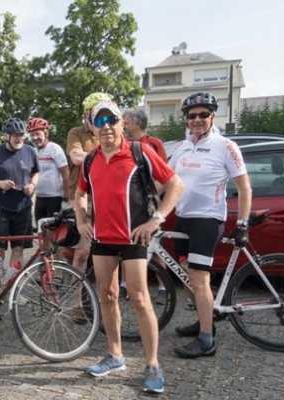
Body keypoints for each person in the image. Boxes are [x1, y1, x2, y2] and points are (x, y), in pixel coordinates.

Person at [75, 99, 183, 394]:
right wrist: (81, 218)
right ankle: (115, 355)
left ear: (122, 123)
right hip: (102, 239)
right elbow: (79, 194)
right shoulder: (90, 160)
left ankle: (152, 365)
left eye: (111, 119)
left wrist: (156, 220)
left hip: (133, 238)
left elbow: (175, 184)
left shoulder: (139, 152)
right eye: (100, 121)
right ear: (93, 127)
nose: (106, 126)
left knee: (139, 298)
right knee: (107, 295)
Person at [169, 92, 252, 359]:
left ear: (212, 116)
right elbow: (166, 181)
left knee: (199, 278)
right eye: (192, 116)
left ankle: (207, 340)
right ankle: (207, 317)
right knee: (185, 274)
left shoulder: (225, 146)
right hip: (183, 218)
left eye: (203, 114)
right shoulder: (182, 147)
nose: (197, 120)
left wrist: (243, 222)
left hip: (207, 219)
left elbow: (244, 186)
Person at [0, 117, 39, 268]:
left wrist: (32, 185)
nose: (19, 138)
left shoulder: (30, 151)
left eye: (21, 135)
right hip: (1, 209)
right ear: (7, 136)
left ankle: (13, 282)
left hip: (23, 208)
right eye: (15, 135)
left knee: (18, 248)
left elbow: (36, 173)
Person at [66, 92, 111, 273]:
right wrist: (106, 159)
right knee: (82, 252)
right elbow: (76, 157)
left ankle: (104, 295)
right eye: (94, 113)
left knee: (107, 251)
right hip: (83, 198)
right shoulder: (77, 132)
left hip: (107, 199)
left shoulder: (110, 131)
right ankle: (75, 299)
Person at [27, 117, 70, 221]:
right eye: (32, 135)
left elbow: (65, 174)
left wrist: (66, 197)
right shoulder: (33, 151)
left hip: (55, 198)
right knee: (40, 230)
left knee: (53, 232)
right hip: (40, 197)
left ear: (45, 133)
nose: (35, 137)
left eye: (38, 134)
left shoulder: (54, 148)